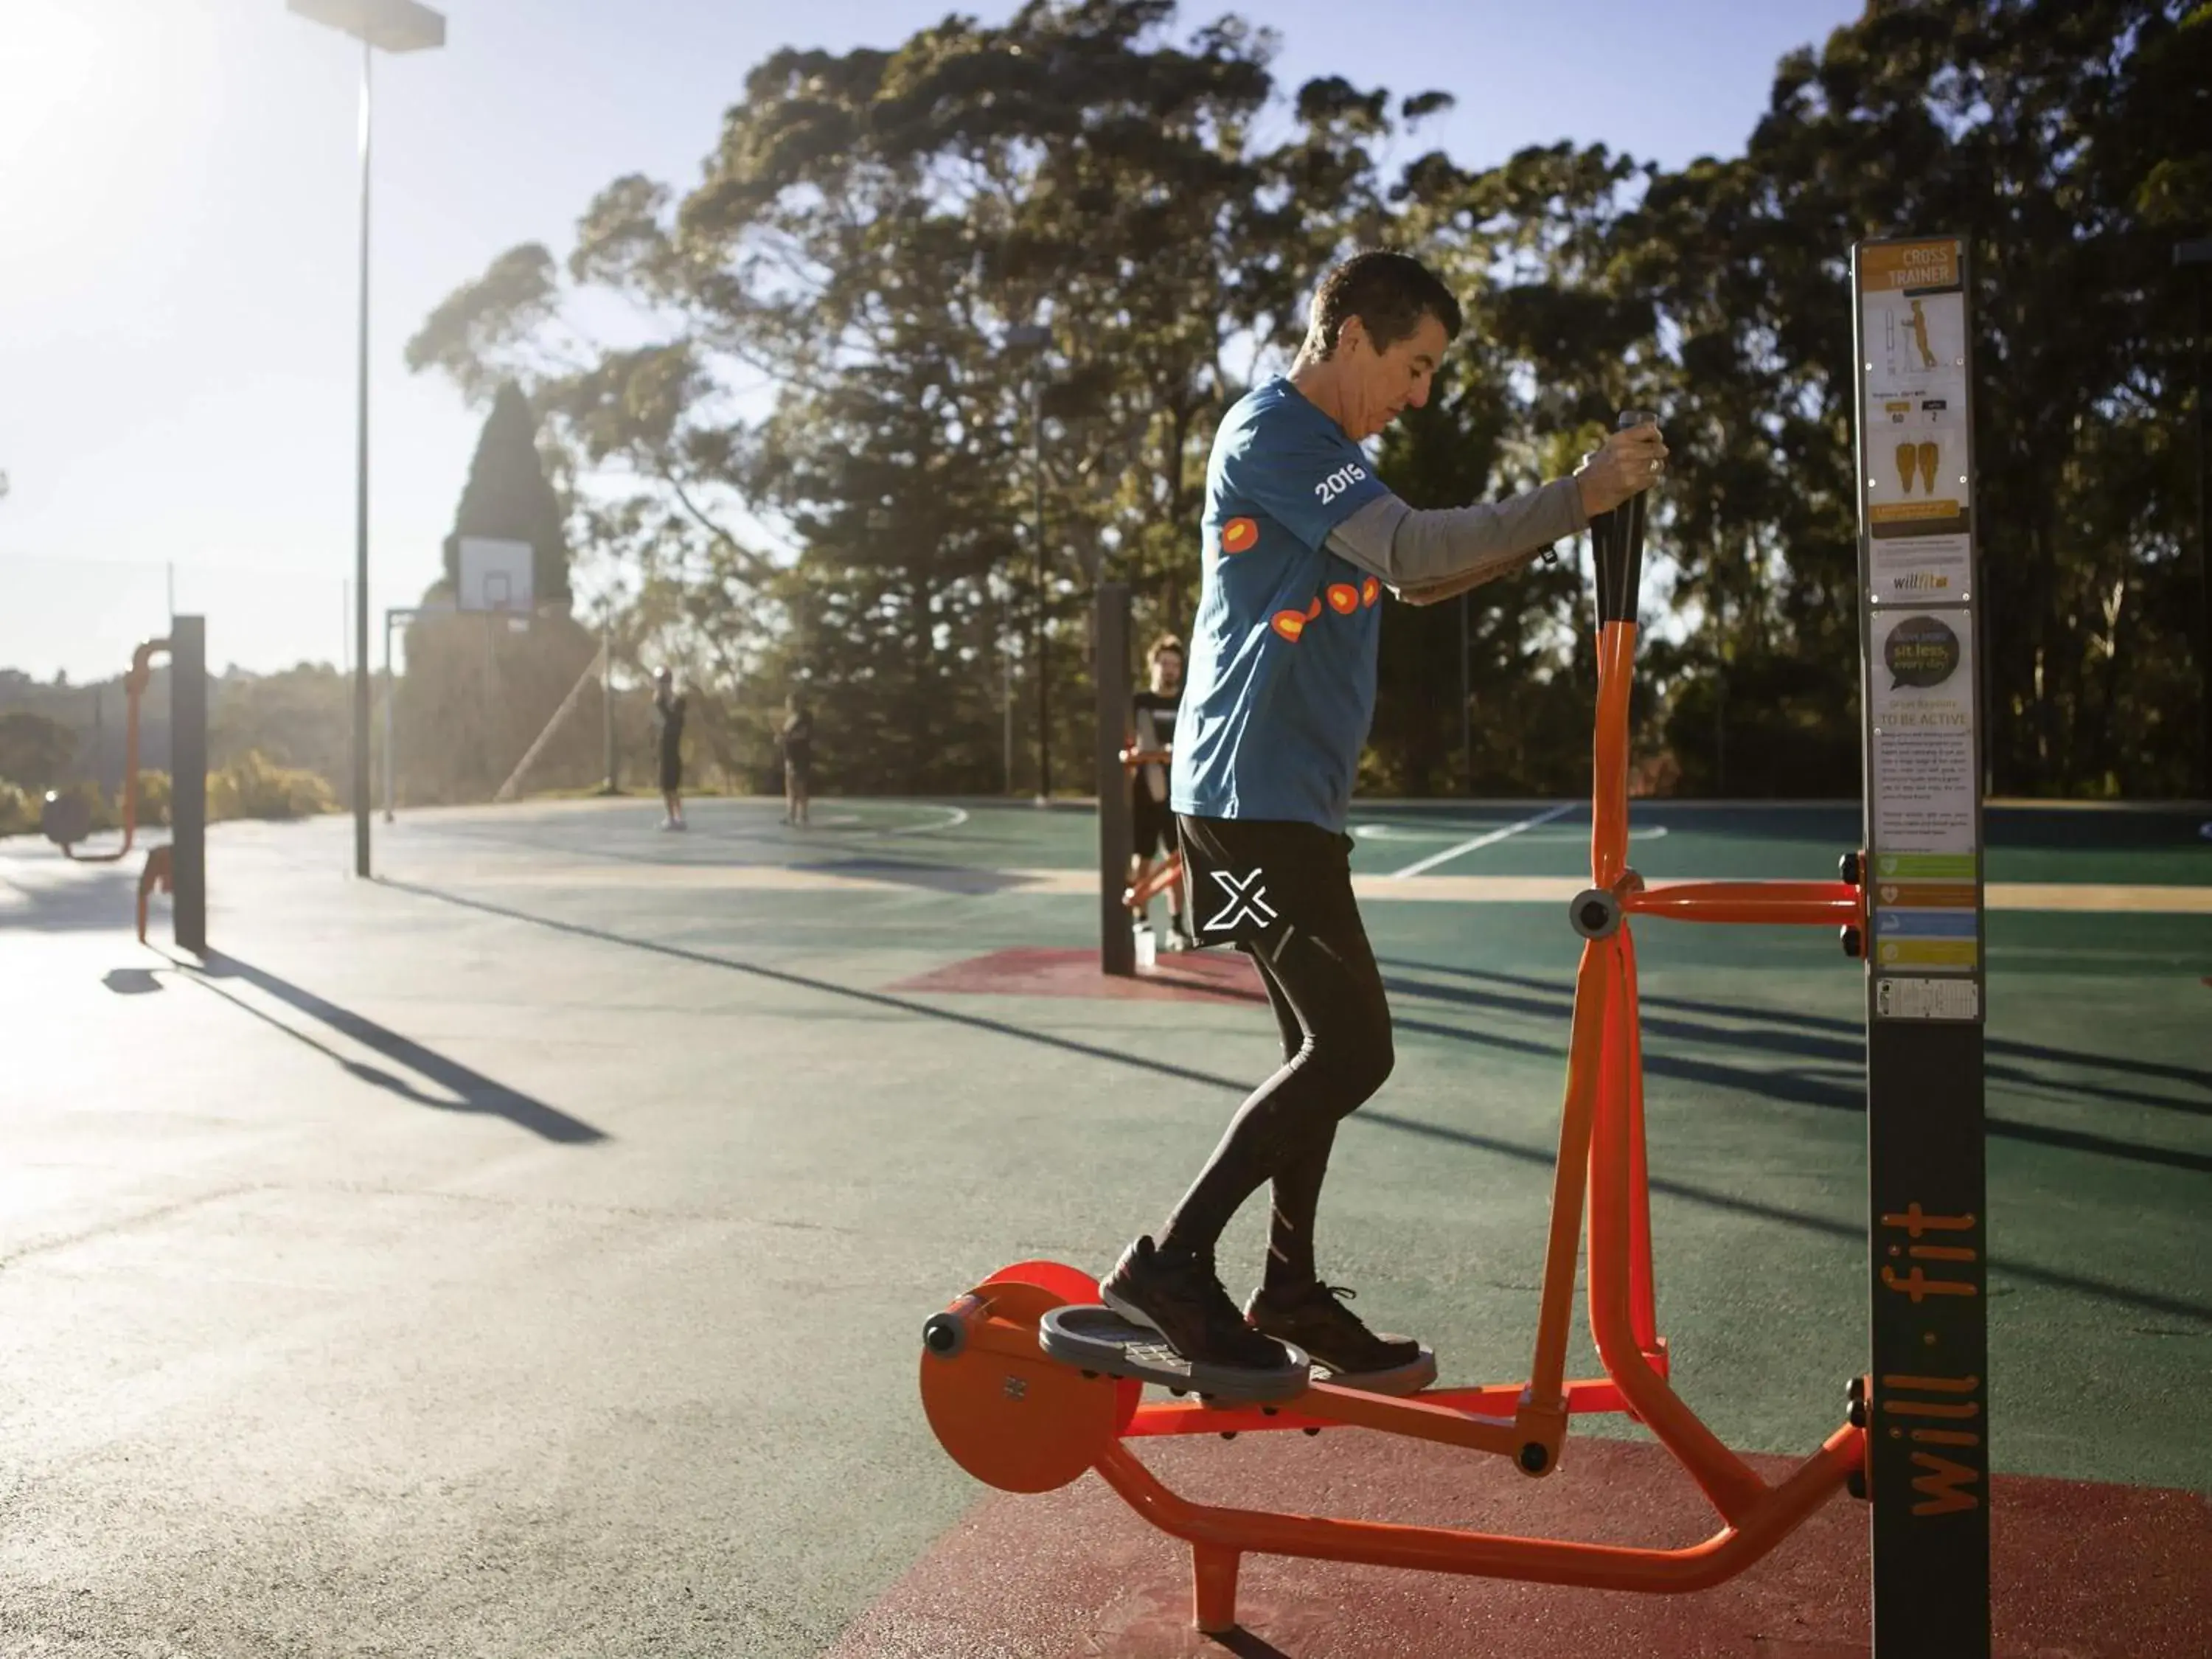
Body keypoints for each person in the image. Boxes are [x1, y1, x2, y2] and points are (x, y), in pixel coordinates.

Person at [1099, 249, 1669, 1385]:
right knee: (1354, 1048)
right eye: (1412, 366)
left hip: (1291, 798)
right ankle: (1169, 1266)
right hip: (1244, 799)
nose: (1418, 396)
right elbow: (1412, 550)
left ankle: (1290, 1288)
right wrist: (1574, 497)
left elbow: (1412, 577)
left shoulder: (1337, 464)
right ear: (1350, 334)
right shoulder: (1275, 435)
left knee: (1318, 1051)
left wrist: (1571, 507)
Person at [1129, 634, 1194, 950]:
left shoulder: (1187, 701)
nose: (1170, 670)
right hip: (1145, 791)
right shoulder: (1139, 702)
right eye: (1165, 663)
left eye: (1175, 665)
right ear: (1153, 665)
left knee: (1176, 860)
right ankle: (1140, 921)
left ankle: (1177, 926)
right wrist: (1148, 756)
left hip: (1179, 792)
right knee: (1141, 857)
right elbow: (1127, 745)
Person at [653, 668, 687, 832]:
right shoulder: (659, 702)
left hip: (673, 749)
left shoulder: (677, 703)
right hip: (664, 748)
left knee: (672, 787)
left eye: (665, 682)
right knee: (666, 788)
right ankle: (671, 817)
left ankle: (678, 818)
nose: (662, 686)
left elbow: (673, 718)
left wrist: (664, 701)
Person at [777, 692, 813, 827]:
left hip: (800, 757)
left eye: (791, 702)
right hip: (790, 757)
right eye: (787, 702)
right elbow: (786, 734)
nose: (788, 705)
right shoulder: (790, 718)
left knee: (799, 786)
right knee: (790, 787)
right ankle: (791, 814)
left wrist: (785, 738)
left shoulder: (805, 716)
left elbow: (803, 734)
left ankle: (803, 815)